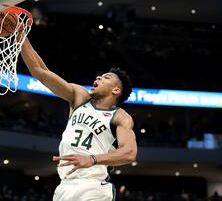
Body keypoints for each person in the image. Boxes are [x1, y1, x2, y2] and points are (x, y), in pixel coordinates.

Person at [21, 38, 137, 201]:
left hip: (93, 187)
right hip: (64, 187)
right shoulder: (80, 97)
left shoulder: (120, 115)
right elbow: (40, 71)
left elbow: (129, 153)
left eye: (106, 77)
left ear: (116, 89)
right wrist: (20, 37)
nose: (98, 77)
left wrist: (92, 159)